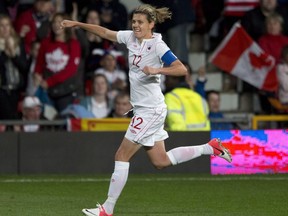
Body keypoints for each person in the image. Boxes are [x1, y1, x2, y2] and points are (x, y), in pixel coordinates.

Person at [60, 4, 232, 216]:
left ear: (151, 24)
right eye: (133, 21)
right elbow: (105, 32)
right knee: (160, 161)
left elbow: (181, 69)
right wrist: (77, 24)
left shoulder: (158, 46)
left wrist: (158, 69)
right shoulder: (130, 38)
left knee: (121, 155)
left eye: (140, 22)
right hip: (146, 109)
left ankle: (107, 208)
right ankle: (211, 148)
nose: (135, 25)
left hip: (150, 111)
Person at [34, 12, 81, 113]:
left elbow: (70, 70)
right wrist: (37, 75)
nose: (56, 24)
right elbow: (39, 63)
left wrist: (49, 82)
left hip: (65, 92)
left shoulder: (73, 44)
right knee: (47, 120)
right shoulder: (45, 43)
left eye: (60, 22)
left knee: (63, 123)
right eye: (54, 22)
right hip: (47, 91)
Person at [0, 14, 28, 121]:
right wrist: (5, 53)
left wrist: (13, 54)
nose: (5, 28)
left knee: (13, 117)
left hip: (16, 89)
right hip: (2, 89)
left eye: (7, 25)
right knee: (9, 118)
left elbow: (24, 66)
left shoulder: (18, 42)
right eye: (1, 25)